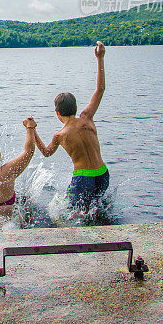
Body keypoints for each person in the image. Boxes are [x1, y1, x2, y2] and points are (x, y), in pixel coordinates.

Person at [34, 41, 109, 208]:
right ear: (76, 107)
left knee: (68, 211)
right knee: (97, 207)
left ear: (57, 113)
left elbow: (46, 153)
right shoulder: (87, 117)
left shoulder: (60, 135)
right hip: (102, 174)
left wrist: (32, 131)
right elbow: (101, 89)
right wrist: (100, 58)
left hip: (83, 178)